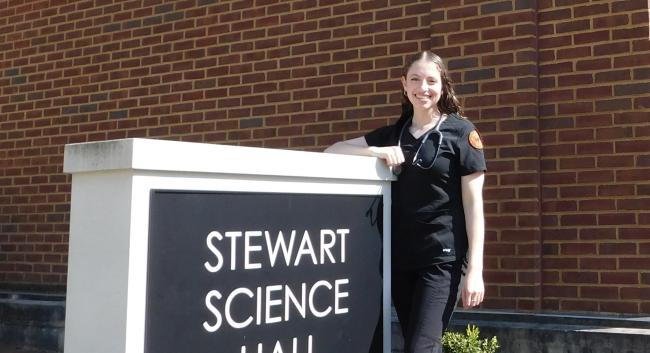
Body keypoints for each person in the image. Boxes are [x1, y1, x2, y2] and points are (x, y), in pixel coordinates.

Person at [325, 51, 486, 353]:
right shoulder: (394, 134)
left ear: (442, 86)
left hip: (441, 260)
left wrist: (474, 270)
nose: (422, 87)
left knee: (421, 347)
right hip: (400, 261)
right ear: (404, 84)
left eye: (430, 81)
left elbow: (473, 205)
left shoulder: (461, 133)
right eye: (415, 79)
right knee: (418, 343)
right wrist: (375, 152)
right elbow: (332, 151)